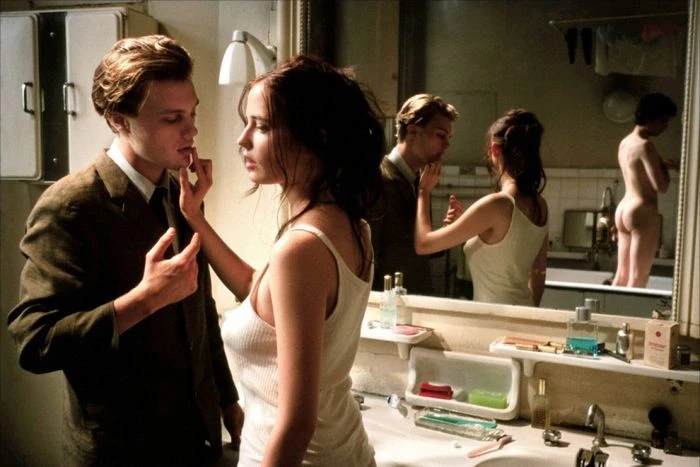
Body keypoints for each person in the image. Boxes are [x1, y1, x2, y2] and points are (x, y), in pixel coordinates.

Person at [7, 35, 242, 466]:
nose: (191, 131)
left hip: (196, 441)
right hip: (121, 452)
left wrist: (228, 403)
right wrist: (143, 300)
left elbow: (200, 309)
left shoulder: (180, 193)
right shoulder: (72, 205)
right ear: (118, 120)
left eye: (192, 113)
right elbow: (35, 342)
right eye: (172, 118)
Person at [178, 55, 384, 465]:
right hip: (347, 450)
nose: (243, 140)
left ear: (316, 136)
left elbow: (296, 425)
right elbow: (264, 294)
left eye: (262, 126)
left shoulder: (301, 249)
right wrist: (195, 218)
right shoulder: (350, 226)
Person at [414, 109, 549, 306]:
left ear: (495, 149)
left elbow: (423, 244)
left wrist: (423, 191)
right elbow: (538, 272)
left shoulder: (497, 205)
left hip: (493, 317)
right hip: (525, 313)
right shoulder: (541, 205)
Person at [370, 93, 459, 295]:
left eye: (449, 138)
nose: (447, 145)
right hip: (386, 304)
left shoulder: (421, 182)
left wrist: (446, 231)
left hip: (415, 299)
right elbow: (368, 257)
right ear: (412, 131)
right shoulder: (378, 180)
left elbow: (419, 249)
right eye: (440, 135)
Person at [613, 93, 678, 288]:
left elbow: (638, 170)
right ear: (650, 119)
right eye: (663, 121)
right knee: (638, 278)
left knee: (621, 277)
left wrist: (661, 163)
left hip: (624, 209)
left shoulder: (625, 142)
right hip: (642, 210)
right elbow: (661, 186)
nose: (666, 127)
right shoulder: (646, 145)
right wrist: (668, 169)